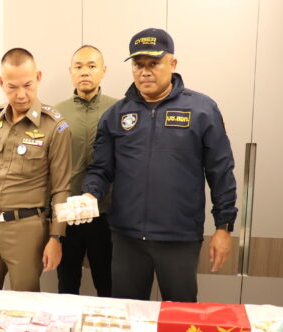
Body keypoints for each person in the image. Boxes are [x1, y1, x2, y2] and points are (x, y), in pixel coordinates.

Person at [82, 28, 237, 302]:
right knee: (128, 318)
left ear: (172, 64)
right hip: (127, 237)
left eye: (154, 63)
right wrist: (89, 193)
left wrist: (224, 227)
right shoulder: (116, 115)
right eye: (138, 65)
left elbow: (220, 171)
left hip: (178, 238)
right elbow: (100, 169)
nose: (145, 72)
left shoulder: (201, 110)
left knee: (180, 321)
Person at [0, 48, 72, 292]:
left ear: (39, 78)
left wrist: (56, 238)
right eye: (12, 87)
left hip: (27, 230)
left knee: (25, 305)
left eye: (28, 85)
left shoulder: (55, 127)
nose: (21, 94)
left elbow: (61, 188)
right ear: (1, 82)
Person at [55, 45, 117, 296]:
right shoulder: (57, 113)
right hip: (68, 214)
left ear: (103, 71)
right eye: (78, 66)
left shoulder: (119, 110)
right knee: (68, 284)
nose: (85, 72)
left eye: (92, 66)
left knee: (108, 283)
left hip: (107, 214)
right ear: (70, 72)